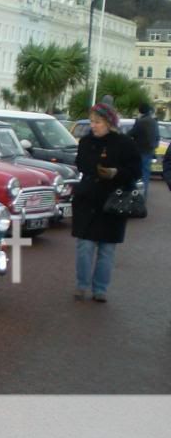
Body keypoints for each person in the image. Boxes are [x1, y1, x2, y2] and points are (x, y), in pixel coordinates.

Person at [71, 102, 142, 302]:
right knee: (84, 246)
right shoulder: (86, 142)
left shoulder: (125, 143)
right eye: (92, 122)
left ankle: (100, 289)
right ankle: (81, 285)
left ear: (109, 122)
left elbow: (135, 171)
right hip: (88, 199)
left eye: (98, 122)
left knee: (107, 249)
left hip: (113, 201)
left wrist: (116, 172)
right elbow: (81, 163)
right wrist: (95, 168)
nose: (93, 126)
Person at [128, 102, 158, 196]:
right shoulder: (153, 121)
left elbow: (130, 133)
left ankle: (136, 195)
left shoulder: (141, 122)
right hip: (149, 151)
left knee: (136, 173)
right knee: (146, 174)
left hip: (140, 151)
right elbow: (157, 136)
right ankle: (143, 195)